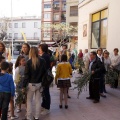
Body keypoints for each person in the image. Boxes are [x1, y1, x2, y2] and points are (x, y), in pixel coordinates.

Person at [22, 47, 46, 120]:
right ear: (37, 52)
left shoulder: (29, 62)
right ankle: (36, 117)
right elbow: (45, 73)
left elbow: (26, 75)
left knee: (29, 101)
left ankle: (29, 117)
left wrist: (23, 85)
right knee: (38, 101)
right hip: (39, 83)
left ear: (31, 52)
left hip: (31, 84)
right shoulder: (42, 61)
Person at [38, 44, 51, 115]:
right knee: (44, 91)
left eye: (39, 48)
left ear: (42, 48)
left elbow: (44, 67)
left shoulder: (45, 56)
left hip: (45, 77)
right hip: (44, 76)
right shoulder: (45, 55)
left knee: (46, 92)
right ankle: (44, 105)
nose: (39, 49)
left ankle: (47, 108)